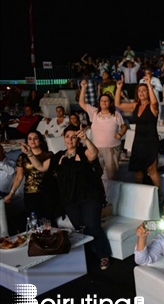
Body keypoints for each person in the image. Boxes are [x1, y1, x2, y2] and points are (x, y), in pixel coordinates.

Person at [22, 125, 112, 270]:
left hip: (89, 197)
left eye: (73, 136)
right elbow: (41, 167)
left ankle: (103, 255)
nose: (70, 139)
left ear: (78, 139)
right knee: (79, 228)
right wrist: (29, 154)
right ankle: (87, 255)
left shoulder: (84, 153)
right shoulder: (58, 156)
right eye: (67, 137)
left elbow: (94, 153)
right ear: (64, 139)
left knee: (93, 226)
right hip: (70, 200)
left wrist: (86, 139)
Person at [114, 80, 162, 197]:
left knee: (152, 169)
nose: (141, 93)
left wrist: (149, 86)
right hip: (138, 140)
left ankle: (160, 195)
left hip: (151, 140)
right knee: (138, 171)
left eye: (144, 91)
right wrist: (119, 88)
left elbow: (155, 103)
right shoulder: (135, 105)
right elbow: (118, 104)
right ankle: (139, 195)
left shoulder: (152, 106)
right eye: (139, 91)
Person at [4, 130, 54, 228]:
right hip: (30, 192)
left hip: (47, 191)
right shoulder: (22, 157)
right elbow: (19, 177)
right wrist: (11, 193)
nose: (32, 141)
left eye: (35, 138)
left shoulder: (48, 155)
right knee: (34, 222)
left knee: (47, 221)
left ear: (40, 141)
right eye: (30, 139)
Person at [79, 85, 127, 181]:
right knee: (96, 174)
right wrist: (83, 88)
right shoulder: (94, 112)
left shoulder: (115, 114)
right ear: (99, 102)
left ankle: (113, 194)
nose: (104, 102)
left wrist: (120, 134)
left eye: (106, 101)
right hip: (96, 148)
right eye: (102, 100)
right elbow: (81, 103)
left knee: (112, 175)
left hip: (112, 148)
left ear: (110, 103)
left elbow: (124, 126)